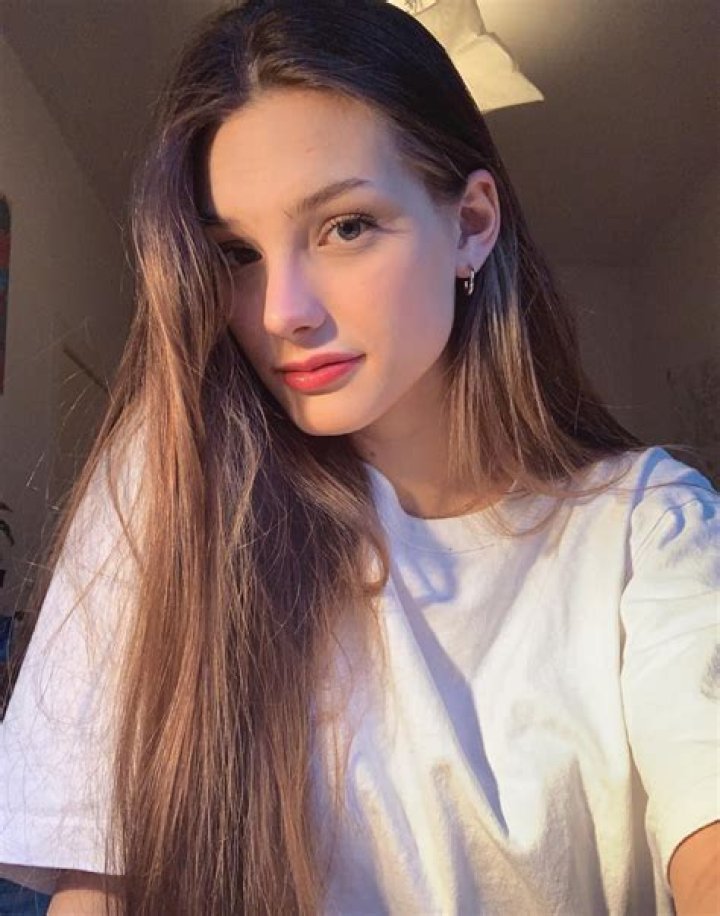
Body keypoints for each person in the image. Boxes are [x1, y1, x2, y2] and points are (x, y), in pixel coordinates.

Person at [0, 1, 718, 913]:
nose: (281, 312)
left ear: (472, 223)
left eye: (344, 227)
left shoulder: (646, 525)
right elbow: (99, 886)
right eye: (236, 252)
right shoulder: (178, 481)